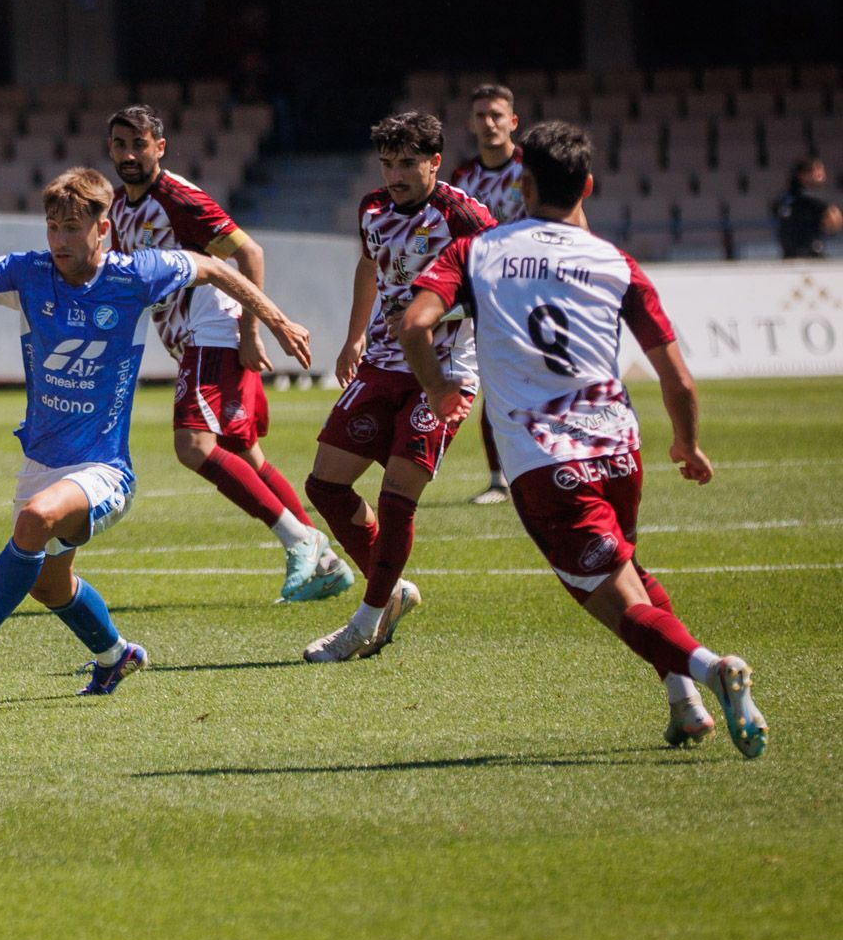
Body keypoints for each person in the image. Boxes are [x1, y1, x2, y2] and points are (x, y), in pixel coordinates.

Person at [399, 121, 766, 757]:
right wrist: (687, 444)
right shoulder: (615, 261)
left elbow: (414, 324)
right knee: (627, 573)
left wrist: (435, 388)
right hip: (620, 450)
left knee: (610, 597)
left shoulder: (479, 251)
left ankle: (712, 669)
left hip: (546, 462)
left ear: (522, 181)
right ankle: (686, 706)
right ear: (588, 186)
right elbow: (676, 376)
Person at [0, 168, 313, 695]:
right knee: (50, 585)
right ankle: (115, 656)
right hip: (43, 462)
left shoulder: (135, 275)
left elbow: (214, 267)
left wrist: (275, 321)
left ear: (103, 229)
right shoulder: (28, 272)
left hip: (105, 469)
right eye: (52, 227)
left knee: (35, 518)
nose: (60, 240)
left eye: (72, 228)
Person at [104, 104, 351, 604]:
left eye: (139, 144)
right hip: (192, 336)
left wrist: (250, 332)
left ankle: (300, 540)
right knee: (243, 453)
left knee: (192, 446)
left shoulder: (178, 197)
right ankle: (326, 564)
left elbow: (249, 253)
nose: (129, 155)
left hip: (212, 326)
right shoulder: (118, 205)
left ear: (160, 147)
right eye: (119, 145)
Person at [302, 111, 496, 664]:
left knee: (397, 496)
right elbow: (370, 265)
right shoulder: (372, 208)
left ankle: (364, 623)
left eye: (408, 163)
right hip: (383, 363)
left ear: (435, 161)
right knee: (325, 486)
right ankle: (391, 590)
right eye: (388, 163)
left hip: (444, 370)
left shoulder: (464, 215)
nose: (395, 175)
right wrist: (354, 336)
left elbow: (495, 283)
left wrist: (442, 313)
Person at [449, 83, 529, 505]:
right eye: (481, 115)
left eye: (497, 114)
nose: (490, 123)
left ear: (513, 120)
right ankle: (500, 480)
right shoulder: (464, 178)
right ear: (471, 123)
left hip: (532, 292)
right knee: (495, 383)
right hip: (486, 296)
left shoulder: (530, 170)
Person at [772, 155, 842, 259]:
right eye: (817, 172)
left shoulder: (784, 197)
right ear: (803, 175)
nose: (822, 175)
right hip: (810, 255)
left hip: (788, 256)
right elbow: (834, 220)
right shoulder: (814, 200)